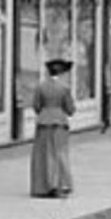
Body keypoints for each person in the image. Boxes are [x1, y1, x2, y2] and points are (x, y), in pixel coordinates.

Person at [30, 56, 76, 198]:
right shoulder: (64, 88)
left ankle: (42, 186)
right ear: (62, 73)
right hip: (59, 123)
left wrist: (44, 112)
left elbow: (36, 106)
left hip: (43, 122)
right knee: (59, 154)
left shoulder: (40, 86)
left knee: (42, 155)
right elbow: (70, 109)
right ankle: (60, 184)